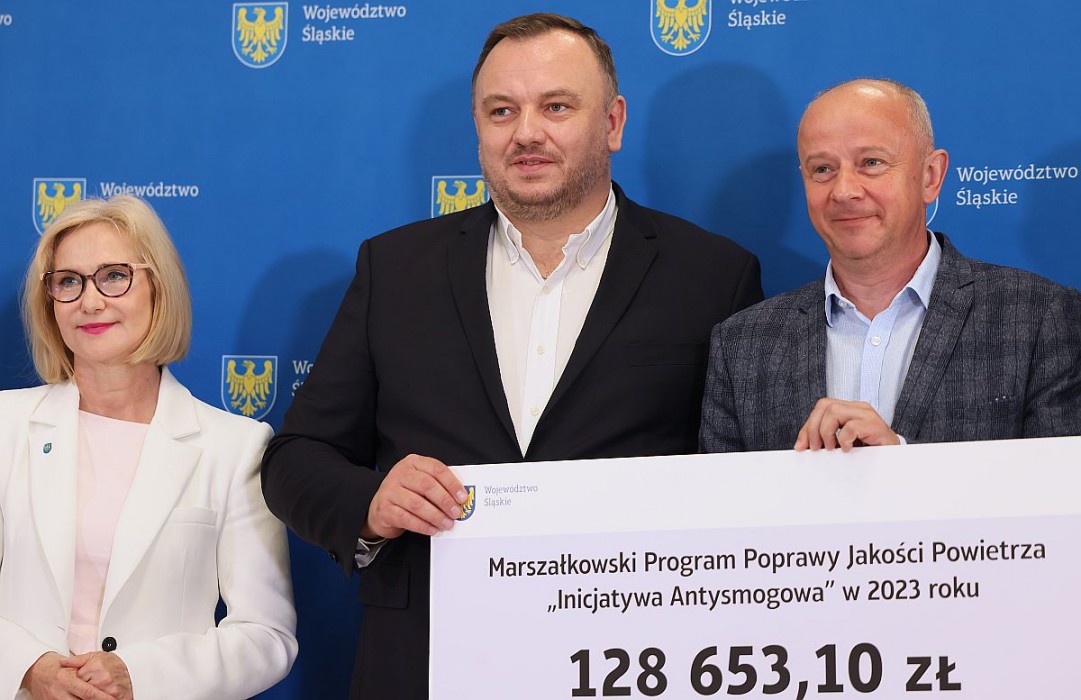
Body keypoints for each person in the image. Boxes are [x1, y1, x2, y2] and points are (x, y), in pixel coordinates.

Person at [261, 12, 763, 699]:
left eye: (556, 107)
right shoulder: (396, 270)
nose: (526, 133)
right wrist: (372, 502)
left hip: (628, 659)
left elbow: (746, 487)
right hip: (425, 661)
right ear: (478, 128)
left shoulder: (711, 276)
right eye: (502, 111)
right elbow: (295, 458)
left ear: (613, 122)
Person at [1, 195, 297, 700]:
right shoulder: (6, 426)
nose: (90, 302)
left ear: (159, 288)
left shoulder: (234, 447)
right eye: (68, 282)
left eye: (114, 276)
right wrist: (28, 668)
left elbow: (266, 637)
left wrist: (137, 674)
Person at [700, 78, 1081, 454]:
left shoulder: (1040, 317)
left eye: (871, 163)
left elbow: (1061, 486)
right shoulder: (742, 344)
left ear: (930, 176)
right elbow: (723, 494)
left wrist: (898, 459)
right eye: (823, 169)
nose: (844, 191)